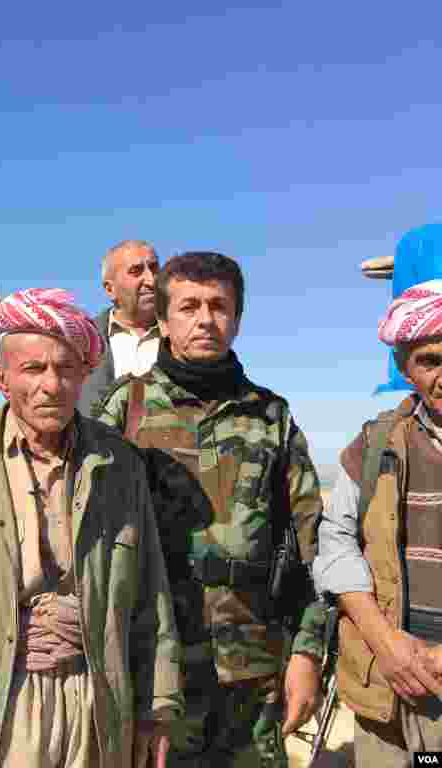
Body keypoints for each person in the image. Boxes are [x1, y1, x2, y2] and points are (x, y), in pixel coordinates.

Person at [0, 288, 183, 768]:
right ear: (1, 380)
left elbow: (151, 594)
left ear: (84, 376)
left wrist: (157, 706)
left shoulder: (119, 465)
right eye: (33, 370)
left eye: (66, 369)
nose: (52, 385)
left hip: (95, 699)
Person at [95, 252, 325, 767]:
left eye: (219, 307)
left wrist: (307, 653)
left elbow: (314, 546)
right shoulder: (123, 408)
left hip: (254, 679)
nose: (205, 319)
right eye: (189, 306)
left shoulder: (271, 416)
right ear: (163, 320)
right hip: (154, 677)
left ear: (238, 320)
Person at [313, 279, 442, 764]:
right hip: (388, 682)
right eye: (429, 360)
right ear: (407, 368)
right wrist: (386, 642)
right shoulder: (374, 446)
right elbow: (336, 542)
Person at [77, 239, 161, 417]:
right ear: (110, 289)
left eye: (154, 268)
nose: (151, 280)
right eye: (136, 271)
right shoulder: (79, 342)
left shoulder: (182, 336)